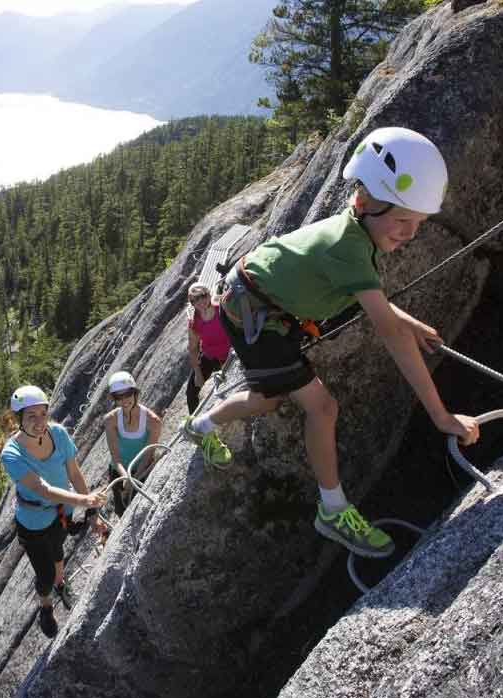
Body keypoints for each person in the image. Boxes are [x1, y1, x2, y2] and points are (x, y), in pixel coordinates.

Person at [180, 126, 480, 558]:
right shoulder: (349, 246)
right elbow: (387, 332)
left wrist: (410, 322)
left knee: (266, 399)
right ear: (364, 201)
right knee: (322, 407)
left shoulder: (359, 233)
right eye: (402, 220)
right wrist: (441, 414)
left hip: (260, 301)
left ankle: (199, 425)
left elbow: (370, 302)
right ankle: (333, 511)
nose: (409, 233)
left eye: (417, 224)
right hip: (255, 313)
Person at [0, 385, 107, 637]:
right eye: (31, 417)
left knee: (58, 550)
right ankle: (45, 607)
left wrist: (92, 512)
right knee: (45, 574)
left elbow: (74, 472)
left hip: (62, 511)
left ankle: (61, 583)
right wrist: (85, 500)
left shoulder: (57, 433)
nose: (39, 422)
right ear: (19, 420)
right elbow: (42, 489)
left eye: (42, 414)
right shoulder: (11, 454)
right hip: (33, 522)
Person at [102, 371, 164, 514]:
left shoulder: (152, 421)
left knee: (141, 511)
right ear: (114, 398)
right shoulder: (110, 420)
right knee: (122, 511)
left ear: (135, 393)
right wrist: (126, 478)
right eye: (119, 396)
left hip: (142, 471)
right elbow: (115, 457)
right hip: (119, 471)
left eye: (128, 394)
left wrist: (133, 479)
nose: (124, 400)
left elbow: (148, 455)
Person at [185, 283, 232, 415]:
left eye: (203, 296)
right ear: (192, 303)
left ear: (209, 295)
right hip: (210, 357)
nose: (200, 301)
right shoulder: (194, 322)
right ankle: (195, 424)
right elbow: (193, 348)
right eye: (195, 299)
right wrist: (198, 373)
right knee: (191, 392)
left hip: (230, 354)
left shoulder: (221, 307)